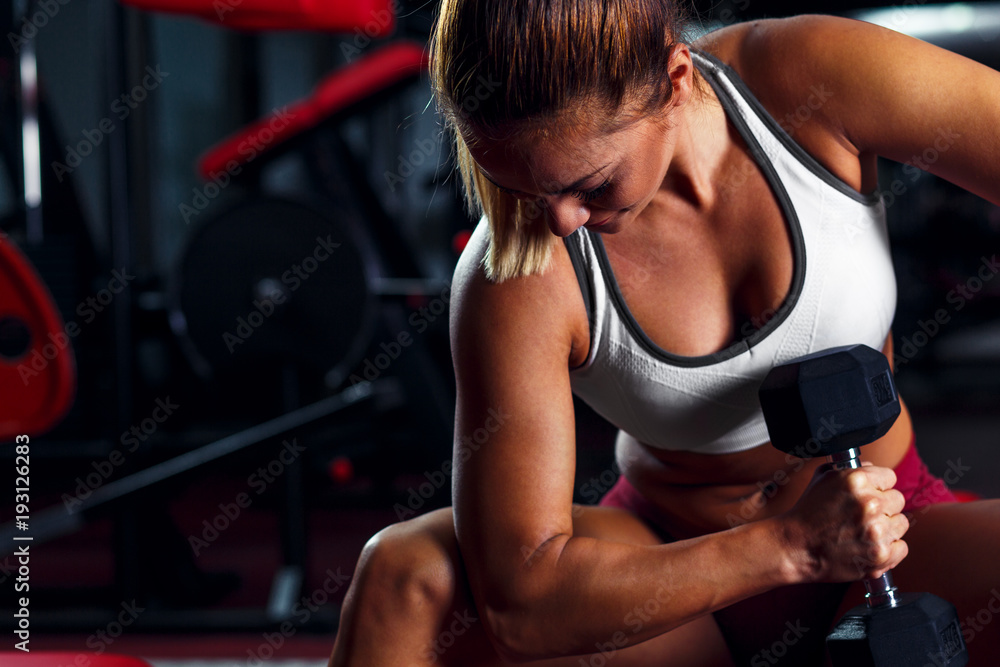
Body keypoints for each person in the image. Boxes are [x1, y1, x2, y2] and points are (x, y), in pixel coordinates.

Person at [329, 1, 1000, 664]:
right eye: (523, 190)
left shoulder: (807, 78)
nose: (560, 220)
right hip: (672, 583)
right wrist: (792, 546)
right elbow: (521, 603)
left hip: (894, 537)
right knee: (404, 572)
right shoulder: (515, 266)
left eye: (588, 183)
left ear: (675, 78)